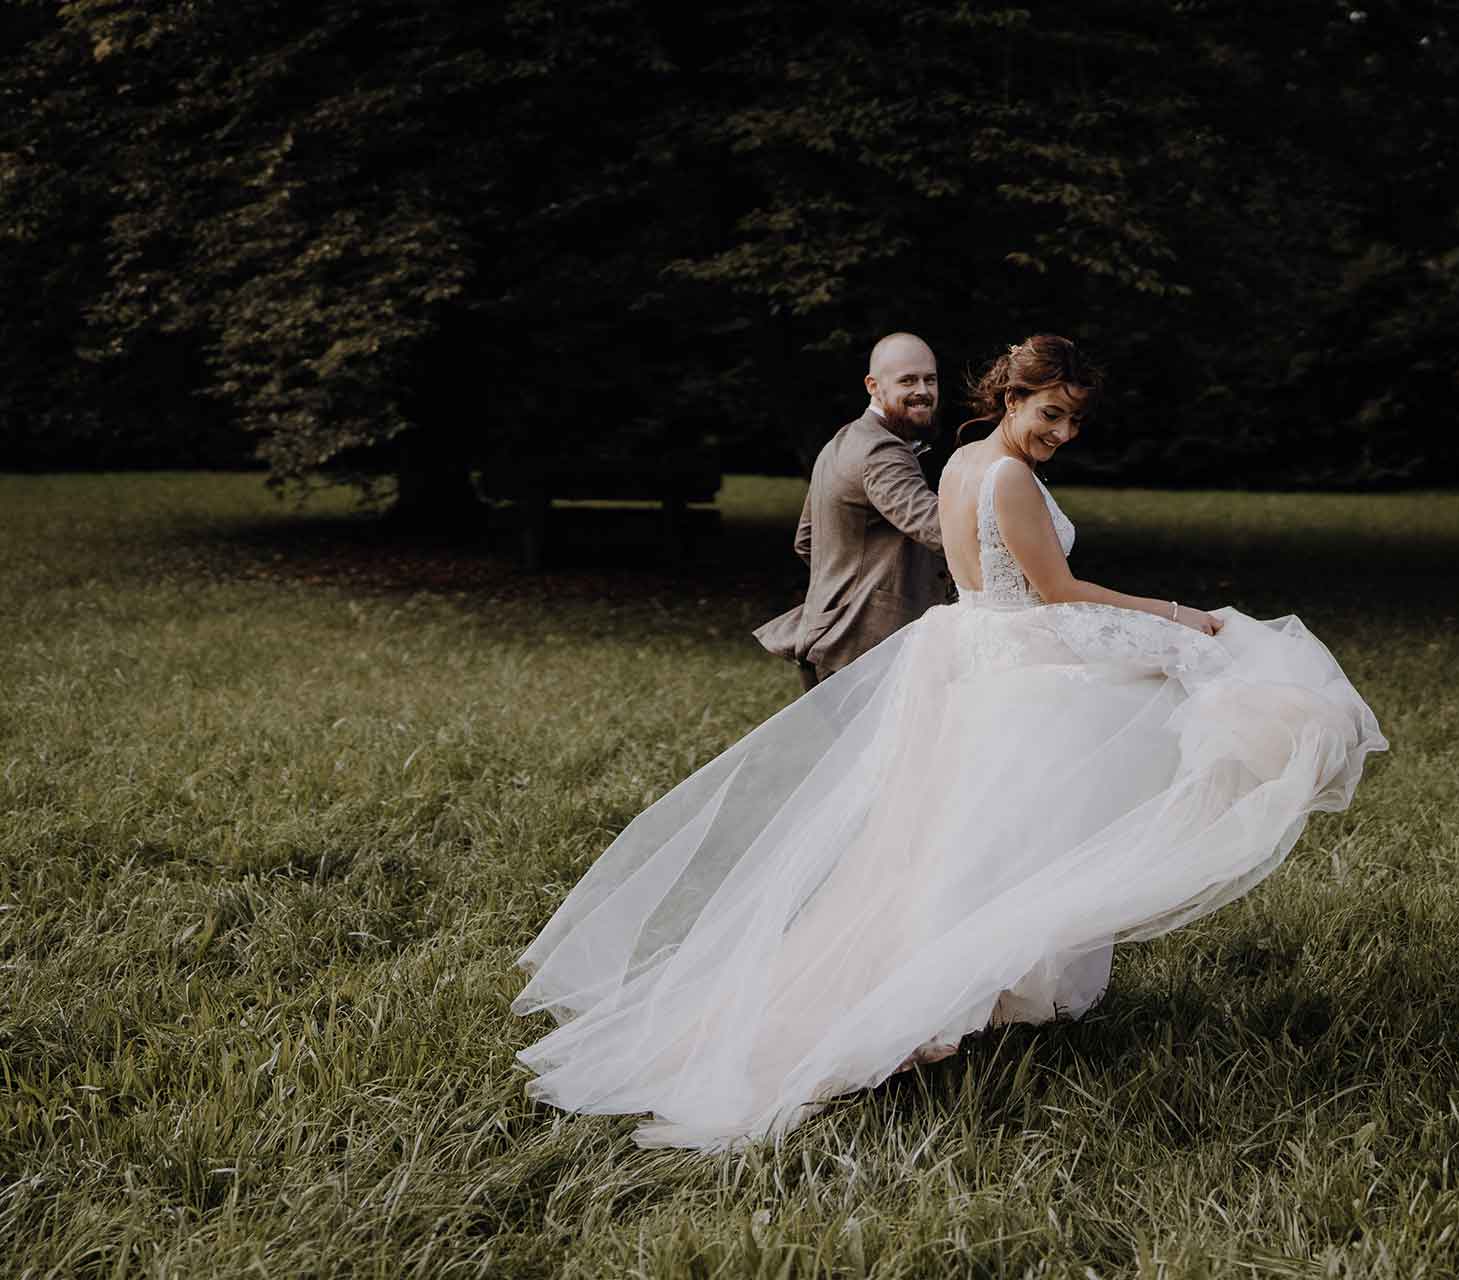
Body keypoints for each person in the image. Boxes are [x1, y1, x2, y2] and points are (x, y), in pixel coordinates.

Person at [513, 334, 1387, 1151]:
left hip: (974, 649)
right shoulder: (1003, 476)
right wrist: (1173, 616)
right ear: (1011, 396)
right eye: (1051, 412)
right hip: (1014, 658)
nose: (1064, 432)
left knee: (963, 839)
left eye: (1076, 418)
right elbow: (1057, 590)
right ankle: (920, 1002)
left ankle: (976, 993)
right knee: (1088, 772)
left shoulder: (965, 460)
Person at [754, 332, 950, 690]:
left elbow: (806, 541)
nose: (923, 389)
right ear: (873, 385)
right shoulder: (882, 451)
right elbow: (941, 531)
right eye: (907, 380)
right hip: (864, 646)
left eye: (930, 379)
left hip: (827, 641)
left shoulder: (841, 442)